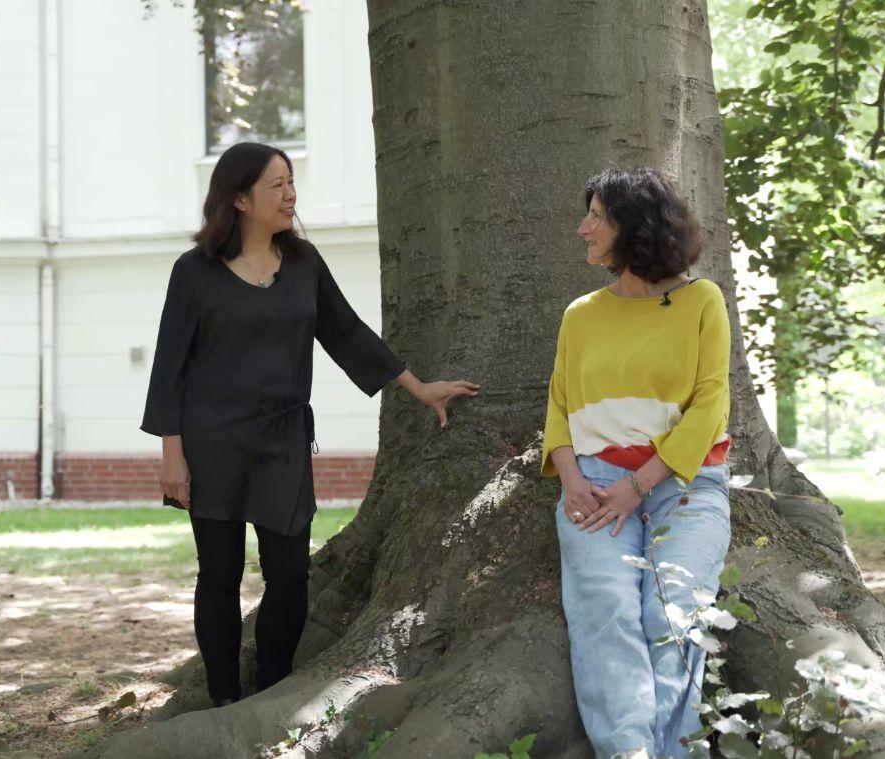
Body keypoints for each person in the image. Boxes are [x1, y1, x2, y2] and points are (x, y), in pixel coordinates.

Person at [141, 142, 479, 706]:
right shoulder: (194, 272)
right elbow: (168, 365)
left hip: (283, 442)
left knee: (291, 577)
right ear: (240, 199)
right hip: (212, 444)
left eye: (291, 181)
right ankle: (225, 698)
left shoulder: (303, 263)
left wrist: (418, 386)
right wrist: (172, 453)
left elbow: (346, 331)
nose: (290, 193)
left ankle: (271, 691)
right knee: (219, 576)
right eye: (276, 185)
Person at [542, 167, 732, 758]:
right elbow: (559, 406)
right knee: (606, 613)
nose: (583, 229)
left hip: (687, 483)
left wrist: (641, 483)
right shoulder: (581, 313)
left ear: (635, 227)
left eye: (596, 216)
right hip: (594, 487)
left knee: (673, 615)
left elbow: (711, 403)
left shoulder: (702, 300)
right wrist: (572, 479)